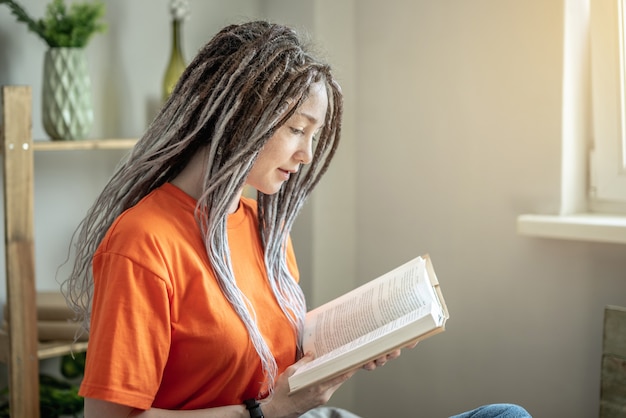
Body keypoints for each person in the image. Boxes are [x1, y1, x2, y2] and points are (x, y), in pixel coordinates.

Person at [62, 21, 531, 418]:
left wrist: (356, 347)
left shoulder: (261, 228)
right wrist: (266, 412)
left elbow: (269, 362)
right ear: (241, 114)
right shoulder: (144, 243)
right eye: (297, 130)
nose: (306, 154)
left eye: (313, 135)